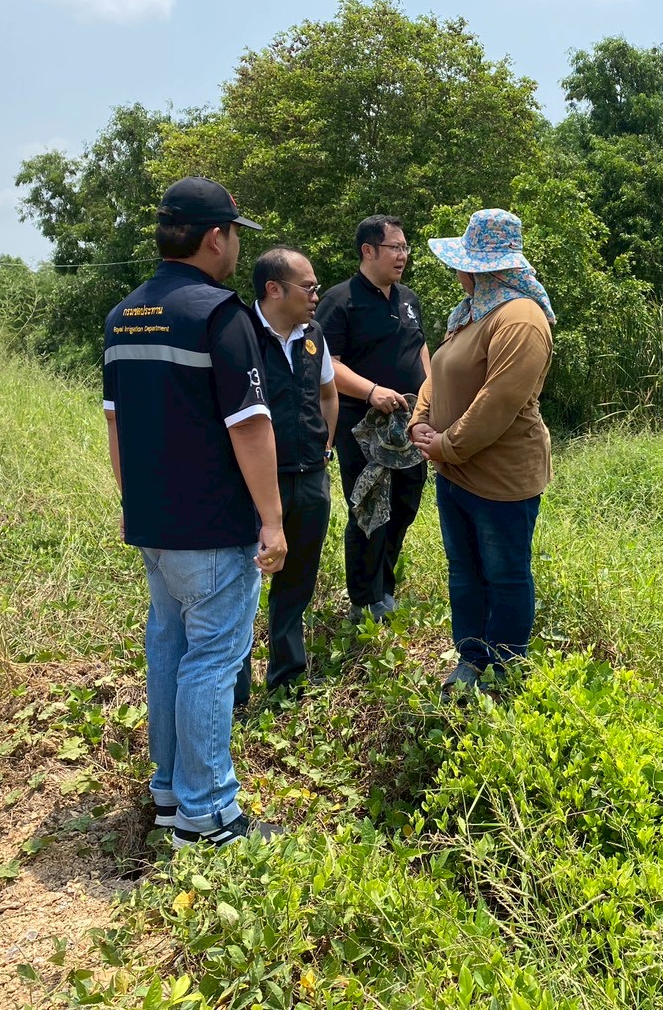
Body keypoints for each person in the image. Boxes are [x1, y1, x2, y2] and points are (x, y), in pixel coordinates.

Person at [103, 176, 286, 848]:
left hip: (154, 523)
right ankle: (209, 816)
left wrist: (135, 506)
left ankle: (170, 793)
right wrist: (271, 518)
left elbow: (116, 425)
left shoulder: (124, 315)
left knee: (169, 651)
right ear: (216, 236)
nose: (236, 247)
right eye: (236, 234)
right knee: (211, 661)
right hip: (211, 528)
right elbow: (248, 424)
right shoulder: (220, 315)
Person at [408, 209, 555, 692]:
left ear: (483, 266)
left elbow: (500, 401)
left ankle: (506, 670)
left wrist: (446, 445)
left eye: (462, 262)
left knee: (505, 574)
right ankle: (471, 659)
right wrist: (419, 422)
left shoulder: (521, 319)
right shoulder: (470, 313)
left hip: (499, 477)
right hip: (454, 474)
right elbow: (438, 374)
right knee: (465, 572)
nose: (456, 270)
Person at [314, 215, 431, 623]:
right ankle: (364, 600)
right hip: (361, 426)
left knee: (404, 501)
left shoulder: (408, 299)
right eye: (394, 248)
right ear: (368, 251)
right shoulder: (339, 300)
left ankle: (384, 587)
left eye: (405, 248)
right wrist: (370, 391)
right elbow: (328, 364)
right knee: (368, 507)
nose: (402, 256)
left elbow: (420, 352)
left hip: (408, 424)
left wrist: (430, 400)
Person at [237, 246, 337, 704]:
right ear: (274, 290)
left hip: (310, 476)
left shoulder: (313, 334)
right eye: (309, 287)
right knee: (240, 583)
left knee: (297, 578)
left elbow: (328, 394)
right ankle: (234, 687)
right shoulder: (239, 335)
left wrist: (325, 445)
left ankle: (287, 676)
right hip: (256, 482)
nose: (316, 295)